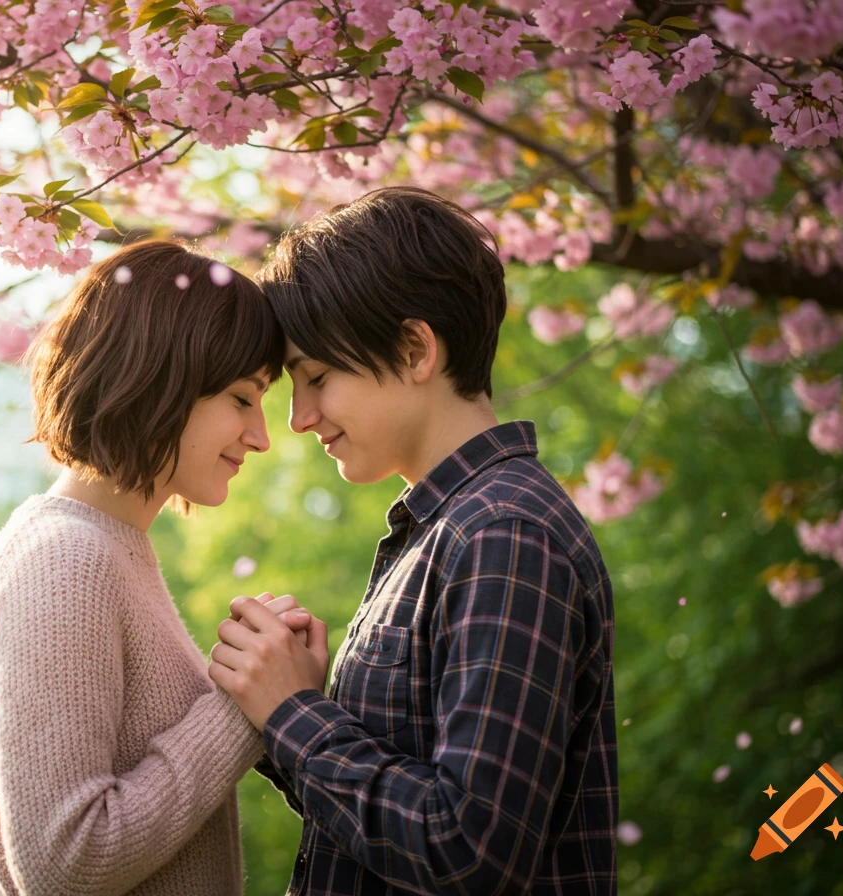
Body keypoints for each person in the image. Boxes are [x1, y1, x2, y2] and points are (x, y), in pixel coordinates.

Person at [209, 186, 619, 894]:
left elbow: (467, 852)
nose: (299, 418)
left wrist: (293, 715)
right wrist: (285, 712)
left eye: (317, 377)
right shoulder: (449, 529)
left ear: (413, 349)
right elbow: (394, 831)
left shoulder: (503, 534)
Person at [0, 239, 312, 896]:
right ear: (162, 376)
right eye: (242, 398)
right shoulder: (66, 560)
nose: (261, 436)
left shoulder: (108, 547)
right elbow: (65, 864)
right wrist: (243, 708)